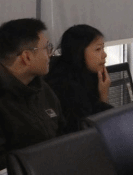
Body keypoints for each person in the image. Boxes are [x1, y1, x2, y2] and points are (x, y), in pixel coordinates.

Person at [0, 18, 64, 170]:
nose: (50, 54)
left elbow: (63, 132)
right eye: (47, 48)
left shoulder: (41, 87)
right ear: (26, 57)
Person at [45, 24, 112, 133]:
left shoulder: (90, 75)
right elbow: (90, 131)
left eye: (103, 48)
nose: (104, 55)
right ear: (79, 52)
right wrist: (104, 96)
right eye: (98, 49)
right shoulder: (63, 86)